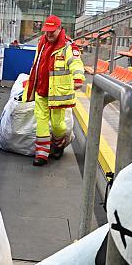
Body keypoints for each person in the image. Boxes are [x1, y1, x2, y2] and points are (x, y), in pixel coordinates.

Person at [23, 15, 85, 166]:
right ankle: (41, 154)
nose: (49, 34)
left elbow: (75, 62)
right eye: (47, 31)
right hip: (41, 90)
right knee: (41, 121)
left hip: (58, 94)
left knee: (58, 125)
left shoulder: (68, 46)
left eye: (52, 31)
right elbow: (37, 64)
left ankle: (58, 144)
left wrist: (78, 77)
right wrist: (31, 81)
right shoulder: (42, 43)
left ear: (59, 29)